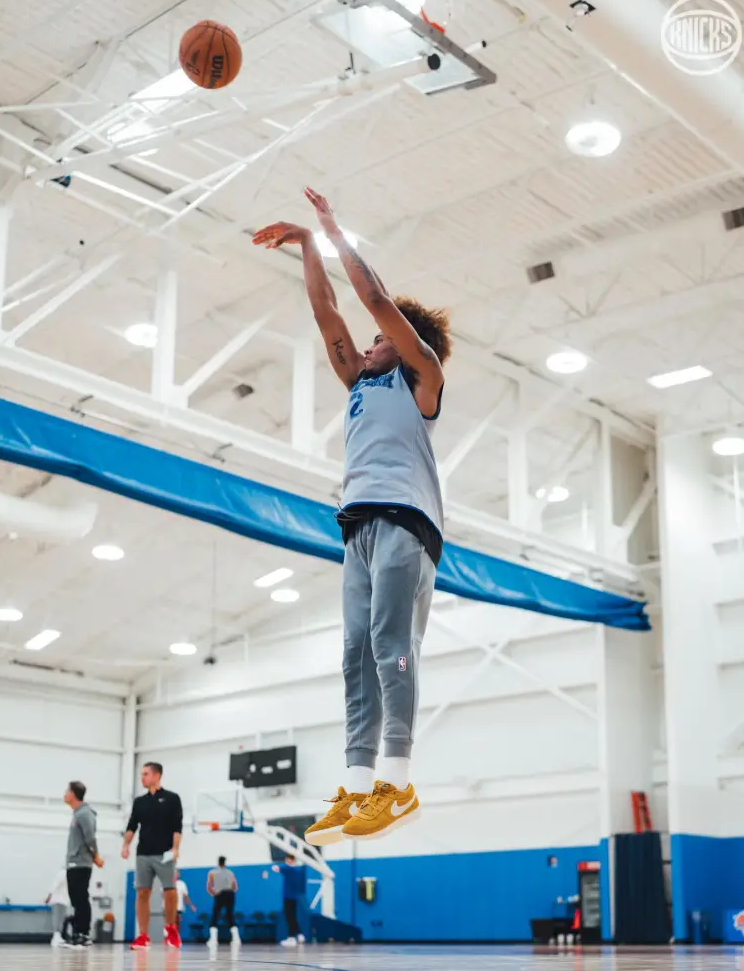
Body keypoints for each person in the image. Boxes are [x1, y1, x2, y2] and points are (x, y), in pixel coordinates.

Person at [253, 189, 451, 843]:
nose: (367, 345)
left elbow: (371, 299)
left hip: (406, 522)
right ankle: (360, 785)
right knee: (354, 655)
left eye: (379, 339)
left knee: (393, 644)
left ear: (408, 344)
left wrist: (331, 228)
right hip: (359, 526)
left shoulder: (421, 378)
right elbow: (327, 311)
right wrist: (307, 247)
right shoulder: (360, 384)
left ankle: (398, 782)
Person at [121, 762, 184, 950]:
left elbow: (177, 827)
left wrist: (175, 848)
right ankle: (143, 935)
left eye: (146, 774)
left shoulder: (172, 799)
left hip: (164, 853)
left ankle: (171, 929)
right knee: (142, 893)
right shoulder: (140, 802)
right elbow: (132, 825)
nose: (142, 777)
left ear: (157, 776)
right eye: (142, 774)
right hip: (143, 854)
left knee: (170, 891)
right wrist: (126, 845)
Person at [63, 780, 104, 949]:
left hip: (81, 862)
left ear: (73, 794)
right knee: (76, 898)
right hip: (73, 862)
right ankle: (77, 933)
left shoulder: (85, 813)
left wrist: (96, 855)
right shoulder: (77, 813)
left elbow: (90, 837)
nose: (64, 794)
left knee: (81, 897)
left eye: (67, 791)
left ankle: (83, 934)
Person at [206, 856, 240, 950]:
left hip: (219, 893)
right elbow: (235, 887)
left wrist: (214, 894)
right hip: (230, 894)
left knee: (215, 915)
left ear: (218, 863)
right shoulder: (230, 873)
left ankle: (213, 939)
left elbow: (208, 886)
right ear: (225, 863)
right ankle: (236, 939)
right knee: (230, 915)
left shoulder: (212, 872)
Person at [272, 855, 305, 948]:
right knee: (292, 917)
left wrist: (276, 868)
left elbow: (277, 868)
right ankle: (299, 934)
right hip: (294, 897)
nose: (286, 861)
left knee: (289, 917)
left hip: (288, 897)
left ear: (291, 860)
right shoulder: (297, 870)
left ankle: (291, 938)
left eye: (287, 859)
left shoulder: (290, 869)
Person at [45, 868, 69, 948]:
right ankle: (55, 938)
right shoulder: (63, 873)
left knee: (61, 919)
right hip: (58, 899)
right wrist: (49, 896)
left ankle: (58, 937)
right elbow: (54, 885)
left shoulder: (70, 874)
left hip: (64, 900)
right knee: (57, 919)